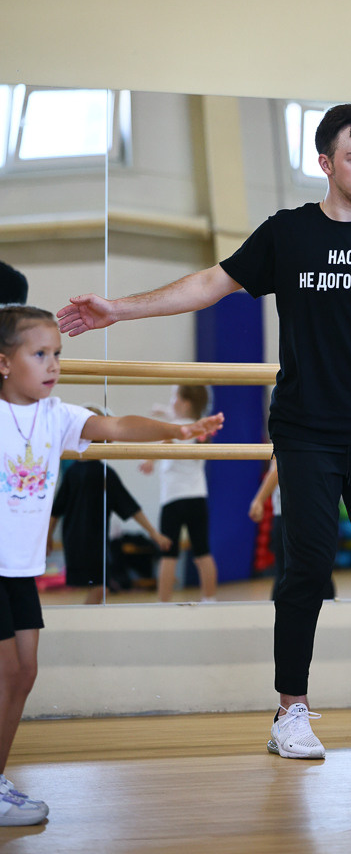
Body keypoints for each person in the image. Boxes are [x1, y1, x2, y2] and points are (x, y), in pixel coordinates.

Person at [56, 102, 351, 761]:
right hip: (305, 432)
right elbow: (209, 284)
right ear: (326, 163)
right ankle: (290, 711)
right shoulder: (287, 234)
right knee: (305, 569)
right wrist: (117, 311)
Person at [0, 304, 223, 824]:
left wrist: (177, 431)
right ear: (4, 363)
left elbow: (117, 424)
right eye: (39, 354)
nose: (53, 364)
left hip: (19, 571)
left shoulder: (56, 416)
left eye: (57, 353)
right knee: (8, 669)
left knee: (26, 669)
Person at [48, 406, 172, 604]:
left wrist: (47, 539)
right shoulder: (101, 474)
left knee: (99, 587)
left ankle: (85, 622)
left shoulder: (75, 472)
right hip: (91, 543)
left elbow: (55, 511)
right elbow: (131, 507)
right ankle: (84, 624)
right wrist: (153, 534)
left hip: (76, 540)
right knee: (100, 587)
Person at [139, 385, 219, 602]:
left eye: (173, 397)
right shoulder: (199, 428)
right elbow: (181, 420)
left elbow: (167, 441)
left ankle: (164, 602)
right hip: (197, 498)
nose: (170, 402)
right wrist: (164, 410)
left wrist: (149, 461)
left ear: (185, 404)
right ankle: (210, 599)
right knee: (202, 553)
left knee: (168, 555)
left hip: (173, 500)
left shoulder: (174, 428)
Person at [248, 459, 335, 601]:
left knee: (292, 573)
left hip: (293, 510)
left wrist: (259, 499)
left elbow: (278, 467)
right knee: (316, 570)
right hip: (306, 508)